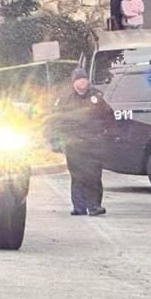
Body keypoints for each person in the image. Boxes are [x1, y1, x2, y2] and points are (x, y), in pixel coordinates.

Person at [48, 68, 114, 216]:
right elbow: (55, 120)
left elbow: (108, 117)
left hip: (93, 144)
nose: (82, 83)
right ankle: (79, 206)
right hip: (74, 145)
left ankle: (94, 206)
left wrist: (105, 135)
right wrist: (55, 140)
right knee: (77, 176)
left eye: (84, 79)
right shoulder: (65, 99)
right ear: (74, 82)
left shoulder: (96, 97)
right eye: (79, 80)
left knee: (93, 175)